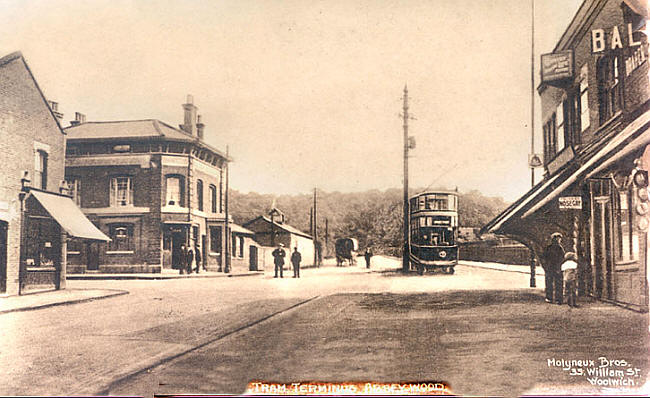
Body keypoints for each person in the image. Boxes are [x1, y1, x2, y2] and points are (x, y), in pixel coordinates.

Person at [542, 232, 565, 304]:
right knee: (558, 283)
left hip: (551, 267)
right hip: (555, 267)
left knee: (550, 283)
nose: (559, 240)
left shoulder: (549, 248)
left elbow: (544, 257)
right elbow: (562, 258)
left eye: (559, 238)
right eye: (557, 239)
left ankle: (550, 298)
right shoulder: (560, 248)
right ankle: (558, 299)